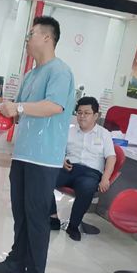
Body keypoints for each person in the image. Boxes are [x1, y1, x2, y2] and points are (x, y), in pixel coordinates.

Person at [0, 16, 75, 273]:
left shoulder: (60, 72)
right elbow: (21, 110)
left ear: (47, 37)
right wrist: (7, 111)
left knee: (36, 217)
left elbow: (54, 106)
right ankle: (16, 261)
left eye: (31, 34)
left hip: (44, 158)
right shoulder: (30, 74)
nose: (27, 39)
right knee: (20, 212)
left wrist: (20, 108)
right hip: (23, 154)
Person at [49, 97, 116, 241]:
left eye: (87, 113)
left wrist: (105, 178)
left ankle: (73, 226)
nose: (82, 116)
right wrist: (61, 159)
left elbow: (111, 158)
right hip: (69, 168)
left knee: (87, 188)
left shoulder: (104, 134)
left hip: (90, 173)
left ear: (96, 115)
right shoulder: (70, 131)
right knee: (45, 179)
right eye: (79, 112)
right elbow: (58, 150)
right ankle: (53, 217)